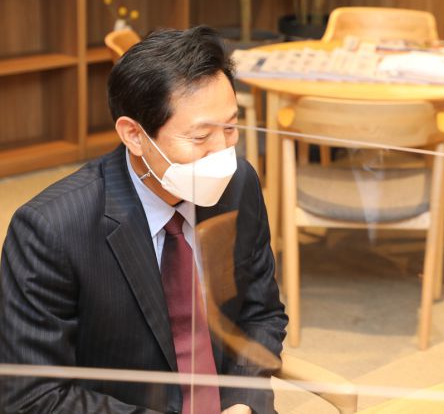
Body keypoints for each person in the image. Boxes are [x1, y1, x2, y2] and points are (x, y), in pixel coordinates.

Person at [0, 26, 287, 413]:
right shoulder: (51, 230)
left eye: (231, 128)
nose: (222, 153)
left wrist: (243, 401)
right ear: (134, 135)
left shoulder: (238, 185)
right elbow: (33, 396)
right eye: (200, 137)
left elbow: (260, 312)